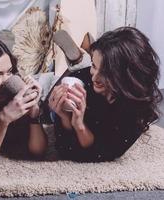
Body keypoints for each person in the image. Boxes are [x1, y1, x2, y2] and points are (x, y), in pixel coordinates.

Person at [48, 26, 163, 162]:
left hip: (103, 111)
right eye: (94, 66)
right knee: (46, 96)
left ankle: (81, 58)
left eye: (105, 72)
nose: (95, 78)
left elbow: (101, 153)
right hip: (69, 86)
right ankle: (81, 60)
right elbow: (64, 149)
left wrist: (79, 126)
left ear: (126, 76)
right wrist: (64, 117)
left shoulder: (135, 112)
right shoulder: (83, 81)